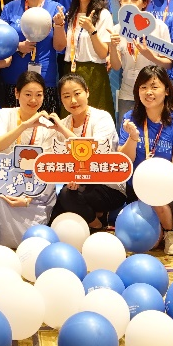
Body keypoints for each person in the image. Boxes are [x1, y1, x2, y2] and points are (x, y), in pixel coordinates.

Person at [117, 66, 173, 255]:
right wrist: (133, 138)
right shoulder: (130, 118)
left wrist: (156, 183)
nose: (148, 92)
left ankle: (170, 232)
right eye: (143, 87)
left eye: (154, 87)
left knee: (157, 198)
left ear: (166, 90)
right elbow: (125, 160)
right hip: (137, 184)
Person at [0, 71, 63, 247]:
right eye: (28, 94)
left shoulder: (48, 126)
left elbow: (47, 167)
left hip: (37, 189)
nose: (33, 100)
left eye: (39, 95)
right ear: (16, 93)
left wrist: (28, 198)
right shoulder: (5, 115)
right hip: (7, 182)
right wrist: (25, 126)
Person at [52, 73, 124, 230]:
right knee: (55, 214)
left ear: (87, 92)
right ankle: (96, 215)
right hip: (76, 185)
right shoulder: (64, 123)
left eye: (77, 93)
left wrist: (62, 130)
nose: (73, 101)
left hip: (107, 185)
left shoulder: (102, 118)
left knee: (67, 196)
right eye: (66, 96)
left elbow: (93, 154)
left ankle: (97, 226)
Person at [0, 0, 67, 113]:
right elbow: (1, 42)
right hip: (14, 80)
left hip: (44, 80)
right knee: (16, 125)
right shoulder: (11, 8)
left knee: (45, 125)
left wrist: (58, 25)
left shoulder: (56, 8)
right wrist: (18, 46)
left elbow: (60, 47)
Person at [109, 0, 173, 120]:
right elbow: (116, 66)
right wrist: (112, 47)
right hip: (128, 93)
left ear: (144, 3)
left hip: (153, 93)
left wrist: (151, 56)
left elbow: (169, 64)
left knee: (154, 130)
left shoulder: (159, 27)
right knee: (126, 129)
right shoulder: (117, 29)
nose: (129, 3)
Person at [59, 0, 114, 115]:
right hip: (70, 71)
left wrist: (92, 30)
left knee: (94, 119)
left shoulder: (103, 14)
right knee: (70, 119)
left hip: (93, 73)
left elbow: (103, 53)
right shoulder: (71, 13)